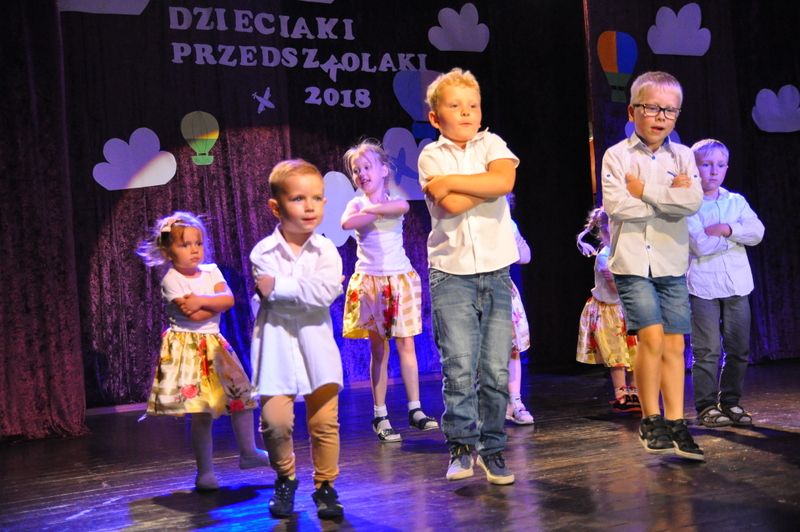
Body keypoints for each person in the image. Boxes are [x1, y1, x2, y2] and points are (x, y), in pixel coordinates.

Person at [418, 67, 519, 484]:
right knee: (458, 367)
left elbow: (504, 180)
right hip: (451, 273)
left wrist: (453, 183)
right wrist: (484, 185)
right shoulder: (431, 156)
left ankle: (493, 448)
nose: (466, 113)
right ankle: (461, 446)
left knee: (495, 370)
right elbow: (452, 206)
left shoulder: (492, 143)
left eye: (473, 106)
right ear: (435, 117)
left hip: (495, 271)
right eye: (455, 106)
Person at [601, 71, 705, 461]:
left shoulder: (683, 156)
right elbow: (617, 206)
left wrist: (644, 191)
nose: (661, 117)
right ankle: (651, 419)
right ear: (632, 111)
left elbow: (692, 202)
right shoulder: (616, 156)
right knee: (652, 337)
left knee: (675, 343)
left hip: (671, 261)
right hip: (632, 262)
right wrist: (667, 198)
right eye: (651, 108)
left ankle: (677, 421)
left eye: (670, 110)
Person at [135, 211, 268, 491]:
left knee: (241, 398)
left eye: (198, 243)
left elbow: (228, 300)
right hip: (189, 351)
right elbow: (193, 316)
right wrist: (210, 303)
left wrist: (200, 300)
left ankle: (248, 451)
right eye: (185, 244)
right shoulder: (171, 279)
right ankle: (205, 472)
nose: (194, 249)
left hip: (216, 346)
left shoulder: (212, 271)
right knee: (202, 412)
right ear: (168, 251)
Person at [249, 159, 345, 520]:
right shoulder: (263, 252)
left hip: (316, 347)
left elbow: (324, 295)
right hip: (275, 348)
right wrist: (303, 290)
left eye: (317, 198)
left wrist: (282, 287)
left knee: (324, 424)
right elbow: (276, 297)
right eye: (298, 198)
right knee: (275, 423)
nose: (309, 207)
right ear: (276, 207)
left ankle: (326, 486)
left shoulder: (327, 250)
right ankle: (285, 478)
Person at [340, 140, 438, 443]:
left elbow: (402, 207)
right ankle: (380, 414)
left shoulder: (394, 199)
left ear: (383, 170)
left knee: (407, 345)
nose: (362, 174)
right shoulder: (356, 204)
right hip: (371, 282)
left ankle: (415, 409)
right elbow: (347, 223)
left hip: (398, 279)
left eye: (367, 167)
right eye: (356, 170)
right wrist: (374, 211)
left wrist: (375, 209)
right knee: (379, 349)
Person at [687, 139, 764, 428]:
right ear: (694, 168)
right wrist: (735, 238)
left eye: (720, 165)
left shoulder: (736, 201)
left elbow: (757, 233)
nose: (713, 171)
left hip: (737, 285)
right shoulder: (688, 205)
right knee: (707, 350)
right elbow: (699, 245)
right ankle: (706, 406)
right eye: (706, 164)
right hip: (703, 286)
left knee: (738, 348)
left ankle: (730, 401)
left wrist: (727, 229)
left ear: (726, 168)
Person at [575, 207, 640, 412]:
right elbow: (615, 288)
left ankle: (635, 393)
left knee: (635, 353)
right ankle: (621, 394)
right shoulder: (605, 256)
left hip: (627, 308)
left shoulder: (629, 252)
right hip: (610, 312)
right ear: (605, 231)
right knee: (617, 354)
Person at [506, 193, 534, 425]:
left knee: (512, 348)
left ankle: (515, 401)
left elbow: (525, 256)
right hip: (475, 289)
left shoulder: (509, 224)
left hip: (503, 289)